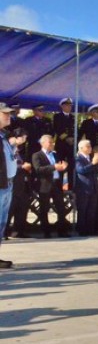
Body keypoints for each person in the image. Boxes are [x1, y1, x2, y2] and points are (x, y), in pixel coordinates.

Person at [32, 134, 70, 238]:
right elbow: (38, 169)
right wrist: (54, 167)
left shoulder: (55, 154)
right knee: (44, 208)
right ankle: (46, 231)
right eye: (50, 142)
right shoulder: (37, 155)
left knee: (61, 207)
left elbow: (60, 166)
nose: (52, 144)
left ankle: (62, 230)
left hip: (57, 183)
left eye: (52, 142)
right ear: (43, 143)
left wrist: (63, 167)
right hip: (45, 184)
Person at [0, 102, 18, 268]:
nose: (8, 116)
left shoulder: (4, 135)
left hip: (7, 183)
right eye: (5, 113)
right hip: (0, 185)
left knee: (2, 223)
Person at [73, 139, 98, 236]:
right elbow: (81, 170)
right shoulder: (78, 159)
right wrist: (92, 164)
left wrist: (95, 163)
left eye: (90, 146)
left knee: (92, 209)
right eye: (88, 146)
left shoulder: (90, 158)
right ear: (81, 148)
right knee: (83, 209)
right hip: (83, 188)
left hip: (93, 187)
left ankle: (91, 229)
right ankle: (82, 230)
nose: (90, 148)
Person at [8, 128, 31, 239]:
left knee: (22, 208)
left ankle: (19, 231)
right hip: (13, 184)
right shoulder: (8, 148)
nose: (25, 139)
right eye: (23, 137)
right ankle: (5, 231)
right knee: (10, 209)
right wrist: (22, 166)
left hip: (23, 183)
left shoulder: (20, 151)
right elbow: (9, 165)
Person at [52, 98, 77, 169]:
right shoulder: (57, 116)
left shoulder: (73, 117)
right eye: (67, 105)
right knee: (61, 164)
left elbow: (74, 129)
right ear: (62, 106)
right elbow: (57, 129)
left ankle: (71, 180)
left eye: (70, 106)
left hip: (71, 145)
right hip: (61, 144)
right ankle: (59, 180)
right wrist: (66, 138)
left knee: (71, 166)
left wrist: (73, 139)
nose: (69, 107)